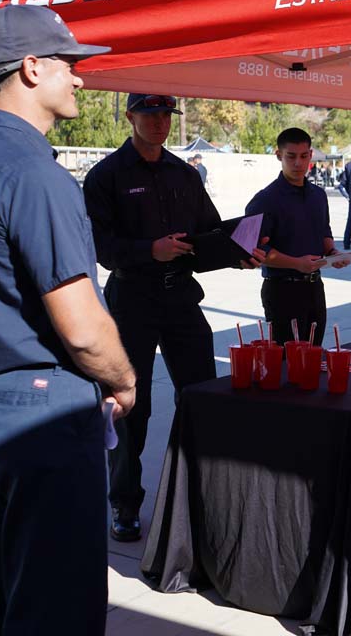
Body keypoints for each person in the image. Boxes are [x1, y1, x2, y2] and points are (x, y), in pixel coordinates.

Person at [0, 4, 137, 633]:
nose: (80, 79)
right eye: (69, 65)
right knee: (56, 600)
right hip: (41, 404)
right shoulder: (33, 171)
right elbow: (80, 323)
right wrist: (122, 379)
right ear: (30, 67)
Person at [84, 92, 263, 543]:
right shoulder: (106, 176)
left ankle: (202, 495)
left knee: (202, 397)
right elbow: (99, 249)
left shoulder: (184, 173)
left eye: (166, 115)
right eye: (150, 114)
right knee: (129, 406)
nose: (160, 122)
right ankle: (125, 504)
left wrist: (236, 251)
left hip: (181, 298)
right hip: (132, 302)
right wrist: (150, 250)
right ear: (130, 117)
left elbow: (204, 238)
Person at [247, 128, 351, 345]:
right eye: (291, 156)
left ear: (311, 155)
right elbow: (254, 250)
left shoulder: (318, 195)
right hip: (282, 291)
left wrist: (333, 253)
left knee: (313, 356)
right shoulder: (265, 199)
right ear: (279, 156)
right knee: (288, 364)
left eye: (304, 156)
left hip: (314, 288)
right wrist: (296, 264)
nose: (298, 163)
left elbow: (324, 231)